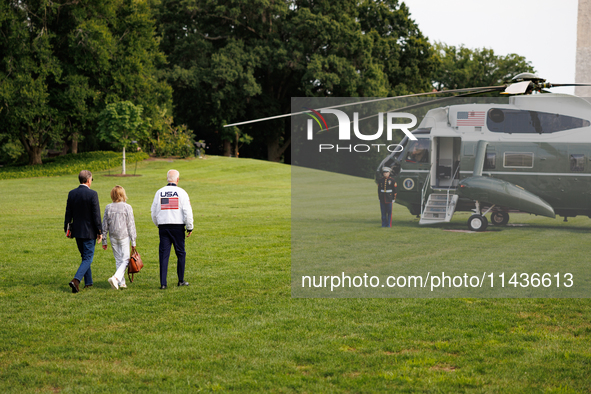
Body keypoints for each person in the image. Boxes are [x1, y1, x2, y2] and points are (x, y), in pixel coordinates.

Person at [151, 169, 194, 289]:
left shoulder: (159, 192)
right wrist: (189, 226)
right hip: (178, 226)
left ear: (167, 179)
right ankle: (181, 280)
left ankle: (163, 283)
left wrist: (158, 224)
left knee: (164, 255)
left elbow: (153, 211)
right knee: (180, 253)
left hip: (163, 226)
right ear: (178, 179)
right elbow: (187, 211)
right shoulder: (182, 192)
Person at [64, 170, 103, 293]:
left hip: (76, 231)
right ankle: (76, 280)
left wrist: (67, 229)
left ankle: (89, 282)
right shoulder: (92, 194)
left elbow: (68, 213)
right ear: (88, 180)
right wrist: (99, 231)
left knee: (84, 257)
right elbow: (96, 215)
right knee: (88, 258)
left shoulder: (72, 193)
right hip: (89, 232)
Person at [102, 186, 138, 290]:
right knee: (126, 259)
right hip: (124, 236)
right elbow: (131, 225)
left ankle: (122, 283)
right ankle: (116, 278)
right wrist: (133, 241)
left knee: (119, 259)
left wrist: (104, 240)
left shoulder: (108, 207)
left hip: (113, 236)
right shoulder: (127, 207)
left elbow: (104, 225)